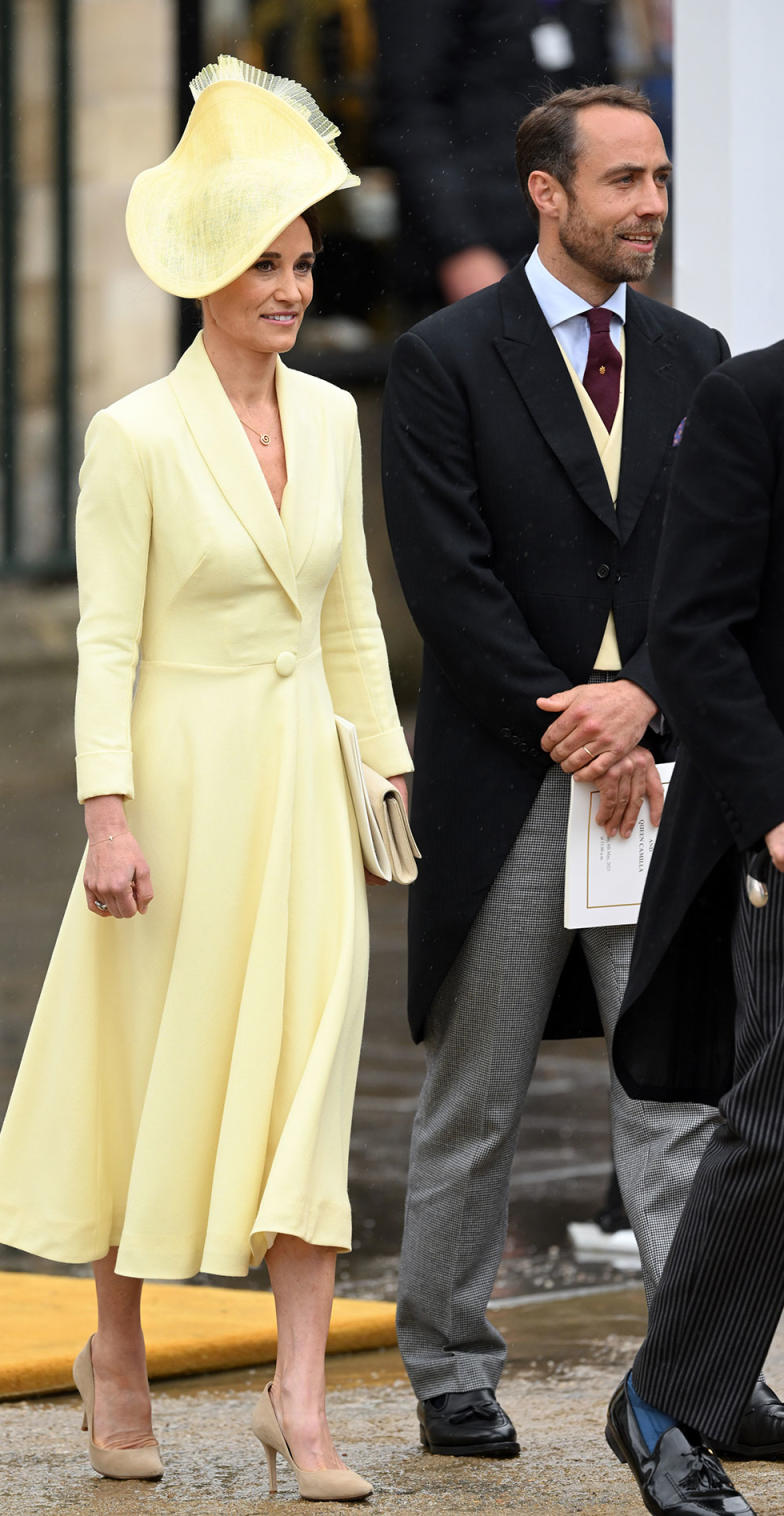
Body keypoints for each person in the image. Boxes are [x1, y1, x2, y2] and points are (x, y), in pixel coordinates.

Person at [0, 55, 412, 1501]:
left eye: (303, 260)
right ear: (209, 270)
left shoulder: (341, 421)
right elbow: (105, 639)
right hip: (173, 789)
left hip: (300, 792)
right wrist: (106, 812)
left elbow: (348, 619)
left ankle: (304, 1410)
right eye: (264, 261)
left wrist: (385, 788)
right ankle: (119, 1356)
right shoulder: (136, 436)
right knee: (145, 1073)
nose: (291, 287)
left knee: (312, 1081)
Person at [381, 84, 731, 1460]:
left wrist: (644, 701)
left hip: (658, 774)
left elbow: (721, 569)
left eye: (658, 179)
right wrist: (571, 720)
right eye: (623, 180)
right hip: (510, 779)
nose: (649, 204)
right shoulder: (445, 359)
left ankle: (701, 1370)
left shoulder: (699, 356)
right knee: (477, 1093)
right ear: (547, 193)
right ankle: (449, 1366)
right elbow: (445, 583)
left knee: (679, 1093)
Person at [606, 343, 784, 1514]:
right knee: (778, 1121)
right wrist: (775, 809)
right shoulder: (751, 401)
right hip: (780, 834)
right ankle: (664, 1404)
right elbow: (695, 631)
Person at [374, 0, 611, 306]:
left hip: (576, 243)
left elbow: (604, 100)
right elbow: (410, 116)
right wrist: (461, 246)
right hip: (481, 244)